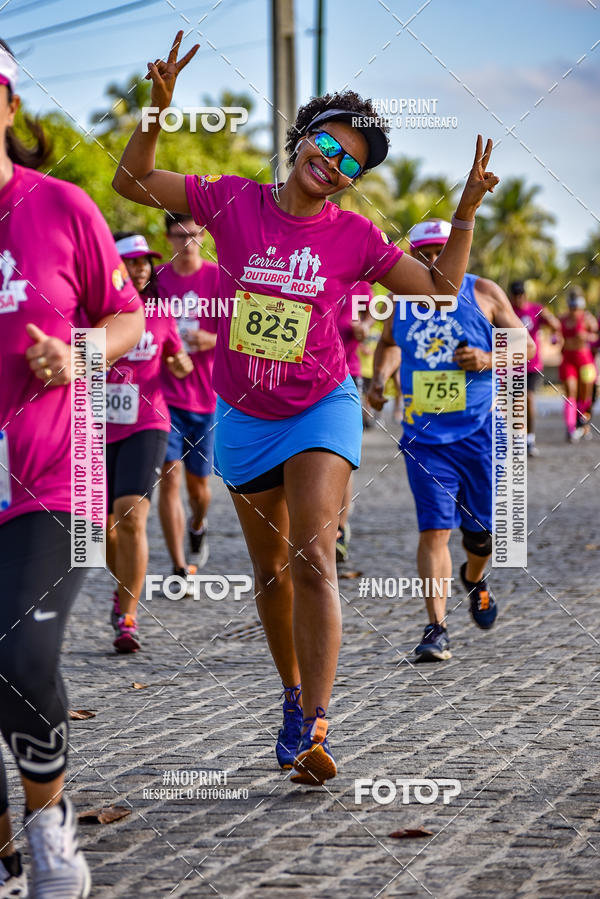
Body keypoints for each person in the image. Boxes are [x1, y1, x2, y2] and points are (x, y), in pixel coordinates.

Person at [113, 30, 498, 785]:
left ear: (356, 181)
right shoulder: (232, 201)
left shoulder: (354, 236)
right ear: (304, 137)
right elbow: (133, 182)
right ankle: (291, 695)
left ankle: (318, 718)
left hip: (323, 400)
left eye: (354, 160)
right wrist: (157, 110)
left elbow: (440, 288)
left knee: (314, 557)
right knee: (270, 574)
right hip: (244, 413)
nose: (336, 161)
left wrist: (466, 209)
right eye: (329, 142)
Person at [0, 41, 144, 899]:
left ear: (7, 106)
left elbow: (125, 320)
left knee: (20, 651)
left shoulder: (60, 207)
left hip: (51, 480)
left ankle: (49, 822)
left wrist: (78, 352)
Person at [369, 219, 534, 663]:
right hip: (424, 438)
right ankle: (436, 628)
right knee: (434, 531)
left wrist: (488, 357)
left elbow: (526, 347)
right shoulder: (401, 300)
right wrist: (379, 378)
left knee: (481, 537)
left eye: (439, 253)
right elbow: (387, 344)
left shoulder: (483, 292)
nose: (430, 263)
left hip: (481, 433)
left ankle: (474, 578)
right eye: (421, 255)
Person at [106, 233, 192, 652]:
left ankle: (128, 616)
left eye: (144, 262)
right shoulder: (94, 311)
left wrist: (181, 362)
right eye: (131, 261)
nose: (140, 268)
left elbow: (178, 358)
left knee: (131, 516)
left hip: (148, 422)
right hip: (96, 425)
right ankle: (121, 587)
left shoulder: (161, 312)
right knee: (98, 530)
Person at [156, 211, 220, 580]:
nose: (188, 242)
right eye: (180, 236)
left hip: (206, 398)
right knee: (171, 477)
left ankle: (198, 522)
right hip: (164, 397)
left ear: (204, 237)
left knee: (199, 489)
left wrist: (211, 339)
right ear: (168, 239)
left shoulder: (216, 277)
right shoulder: (159, 280)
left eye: (194, 235)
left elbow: (239, 327)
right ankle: (180, 566)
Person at [335, 280, 373, 562]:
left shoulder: (361, 286)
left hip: (347, 373)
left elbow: (371, 315)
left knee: (340, 456)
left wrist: (365, 327)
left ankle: (339, 528)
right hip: (302, 372)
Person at [509, 280, 561, 456]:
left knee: (529, 399)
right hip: (511, 364)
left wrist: (554, 329)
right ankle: (518, 439)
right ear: (511, 296)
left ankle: (530, 439)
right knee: (515, 404)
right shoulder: (507, 310)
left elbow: (555, 325)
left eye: (521, 295)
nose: (518, 298)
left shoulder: (535, 309)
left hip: (532, 364)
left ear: (525, 295)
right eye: (515, 295)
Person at [559, 289, 598, 441]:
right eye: (572, 307)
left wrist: (587, 336)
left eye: (577, 308)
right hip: (568, 359)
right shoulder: (562, 319)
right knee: (570, 392)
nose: (575, 311)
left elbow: (596, 336)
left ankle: (583, 423)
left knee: (586, 394)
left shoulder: (588, 319)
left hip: (585, 360)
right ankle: (570, 428)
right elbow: (557, 335)